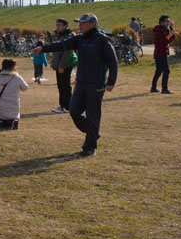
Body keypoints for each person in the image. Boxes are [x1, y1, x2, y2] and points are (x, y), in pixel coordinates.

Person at [31, 13, 117, 157]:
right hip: (81, 82)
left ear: (92, 24)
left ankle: (90, 146)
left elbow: (113, 63)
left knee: (92, 115)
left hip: (96, 84)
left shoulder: (103, 40)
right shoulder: (80, 39)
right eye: (79, 23)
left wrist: (111, 82)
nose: (79, 26)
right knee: (74, 111)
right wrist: (42, 48)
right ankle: (93, 132)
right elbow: (61, 45)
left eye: (82, 23)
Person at [0, 58, 28, 129]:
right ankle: (13, 121)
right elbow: (25, 88)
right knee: (11, 115)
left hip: (0, 108)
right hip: (14, 109)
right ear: (13, 67)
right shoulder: (17, 77)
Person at [50, 18, 75, 114]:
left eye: (59, 25)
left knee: (65, 86)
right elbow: (56, 50)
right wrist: (53, 61)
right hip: (59, 65)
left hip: (65, 66)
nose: (57, 27)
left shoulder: (68, 37)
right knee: (60, 85)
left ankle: (67, 106)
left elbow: (67, 53)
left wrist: (62, 66)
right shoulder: (59, 36)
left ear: (65, 26)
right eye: (56, 25)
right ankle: (62, 106)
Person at [151, 15, 177, 94]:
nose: (168, 23)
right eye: (166, 21)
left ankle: (153, 87)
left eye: (169, 21)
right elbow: (166, 40)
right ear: (161, 22)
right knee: (166, 71)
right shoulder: (159, 30)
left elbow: (167, 32)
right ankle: (164, 89)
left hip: (159, 53)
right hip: (160, 53)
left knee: (159, 71)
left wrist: (171, 28)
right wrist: (174, 36)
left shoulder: (162, 29)